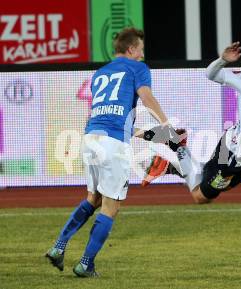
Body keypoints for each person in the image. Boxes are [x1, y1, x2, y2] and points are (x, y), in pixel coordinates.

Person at [45, 27, 178, 277]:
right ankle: (86, 264)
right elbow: (147, 98)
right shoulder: (137, 68)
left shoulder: (100, 74)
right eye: (139, 49)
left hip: (91, 137)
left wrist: (154, 134)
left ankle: (58, 247)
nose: (141, 54)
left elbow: (115, 120)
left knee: (92, 199)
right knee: (110, 207)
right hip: (112, 144)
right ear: (131, 49)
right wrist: (166, 126)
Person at [142, 39, 241, 204]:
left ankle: (172, 165)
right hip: (232, 150)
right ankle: (178, 149)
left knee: (216, 182)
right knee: (201, 197)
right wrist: (223, 60)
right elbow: (211, 74)